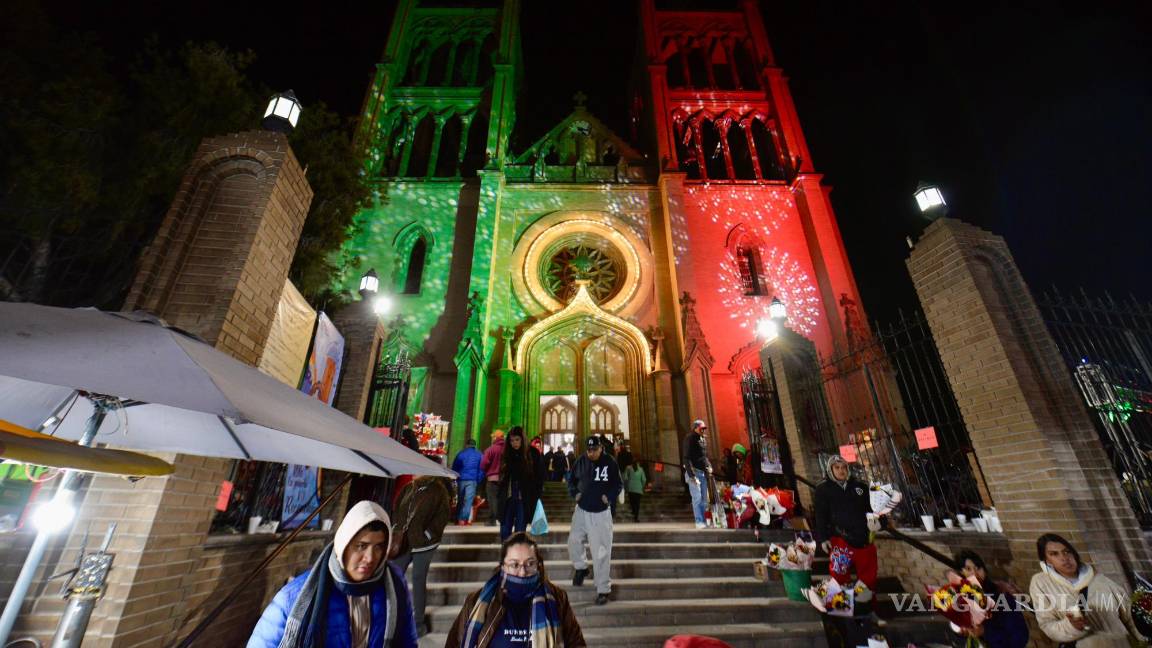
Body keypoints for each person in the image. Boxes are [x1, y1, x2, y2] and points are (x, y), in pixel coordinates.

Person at [248, 500, 419, 647]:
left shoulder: (394, 586)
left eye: (379, 547)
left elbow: (407, 642)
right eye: (361, 546)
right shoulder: (294, 597)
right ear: (343, 545)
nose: (369, 558)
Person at [445, 532, 586, 647]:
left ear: (539, 565)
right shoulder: (476, 601)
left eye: (530, 563)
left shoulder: (557, 599)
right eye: (514, 564)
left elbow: (576, 643)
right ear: (502, 566)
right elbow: (454, 644)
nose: (522, 572)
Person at [1029, 533, 1144, 648]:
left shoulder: (1100, 580)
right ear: (1047, 561)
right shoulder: (1042, 584)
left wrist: (1145, 640)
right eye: (1054, 554)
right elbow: (1047, 625)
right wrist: (1071, 626)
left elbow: (1130, 617)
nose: (1064, 558)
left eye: (1067, 551)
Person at [392, 476, 452, 637]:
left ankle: (418, 623)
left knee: (418, 579)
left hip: (425, 543)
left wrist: (428, 534)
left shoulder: (439, 490)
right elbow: (397, 509)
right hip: (404, 541)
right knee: (394, 576)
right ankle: (392, 617)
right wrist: (396, 528)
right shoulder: (409, 488)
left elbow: (443, 515)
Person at [567, 436, 622, 605]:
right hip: (582, 509)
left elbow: (618, 484)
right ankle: (581, 568)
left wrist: (609, 497)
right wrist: (574, 492)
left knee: (601, 552)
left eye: (594, 450)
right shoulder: (581, 461)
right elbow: (571, 480)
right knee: (574, 541)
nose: (591, 453)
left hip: (600, 512)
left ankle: (603, 589)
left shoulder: (610, 462)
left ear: (601, 449)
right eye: (588, 450)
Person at [813, 455, 879, 596]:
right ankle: (844, 606)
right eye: (837, 467)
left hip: (863, 537)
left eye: (844, 467)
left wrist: (878, 522)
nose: (841, 470)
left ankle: (865, 606)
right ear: (830, 469)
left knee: (868, 576)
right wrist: (823, 538)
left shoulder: (860, 486)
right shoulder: (823, 489)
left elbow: (872, 508)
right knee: (839, 575)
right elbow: (820, 515)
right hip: (839, 539)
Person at [946, 550, 1029, 648]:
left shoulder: (1002, 596)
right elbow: (957, 632)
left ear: (984, 570)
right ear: (961, 572)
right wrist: (961, 631)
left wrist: (985, 631)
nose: (975, 573)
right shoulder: (960, 598)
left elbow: (1020, 637)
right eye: (968, 569)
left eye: (978, 568)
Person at [498, 426, 545, 541]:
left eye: (517, 440)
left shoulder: (532, 453)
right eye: (511, 440)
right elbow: (503, 475)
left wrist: (536, 494)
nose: (514, 443)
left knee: (520, 530)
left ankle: (517, 555)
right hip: (508, 496)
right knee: (505, 529)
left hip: (523, 497)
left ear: (522, 439)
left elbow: (540, 476)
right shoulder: (507, 454)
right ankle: (506, 555)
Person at [682, 419, 713, 529]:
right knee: (697, 498)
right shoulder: (689, 438)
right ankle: (699, 521)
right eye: (701, 428)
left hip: (703, 472)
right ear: (695, 428)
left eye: (704, 428)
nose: (703, 430)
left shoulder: (702, 438)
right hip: (694, 472)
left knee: (704, 499)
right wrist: (691, 475)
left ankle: (704, 521)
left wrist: (709, 466)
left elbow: (704, 456)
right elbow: (686, 458)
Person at [452, 438, 484, 525]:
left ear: (466, 445)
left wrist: (456, 477)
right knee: (468, 500)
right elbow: (482, 469)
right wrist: (478, 479)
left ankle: (457, 518)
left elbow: (455, 467)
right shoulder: (479, 455)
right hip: (472, 480)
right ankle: (462, 519)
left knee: (460, 499)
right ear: (475, 445)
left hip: (461, 479)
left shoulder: (461, 454)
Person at [480, 430, 505, 526]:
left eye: (493, 437)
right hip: (504, 479)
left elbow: (483, 464)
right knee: (502, 499)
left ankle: (493, 519)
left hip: (492, 478)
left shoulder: (491, 449)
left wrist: (488, 470)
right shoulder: (507, 449)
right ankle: (501, 518)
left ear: (495, 438)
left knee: (492, 499)